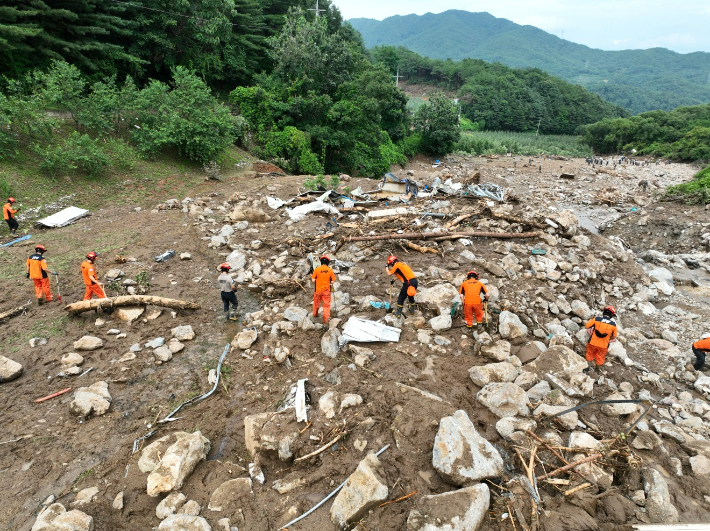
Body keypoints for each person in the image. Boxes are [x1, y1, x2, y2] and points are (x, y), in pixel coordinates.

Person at [312, 255, 336, 323]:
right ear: (328, 263)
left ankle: (315, 314)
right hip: (326, 291)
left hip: (318, 290)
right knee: (326, 305)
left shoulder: (317, 270)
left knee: (316, 303)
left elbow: (313, 280)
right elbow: (332, 281)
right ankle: (326, 321)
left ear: (321, 262)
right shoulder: (330, 270)